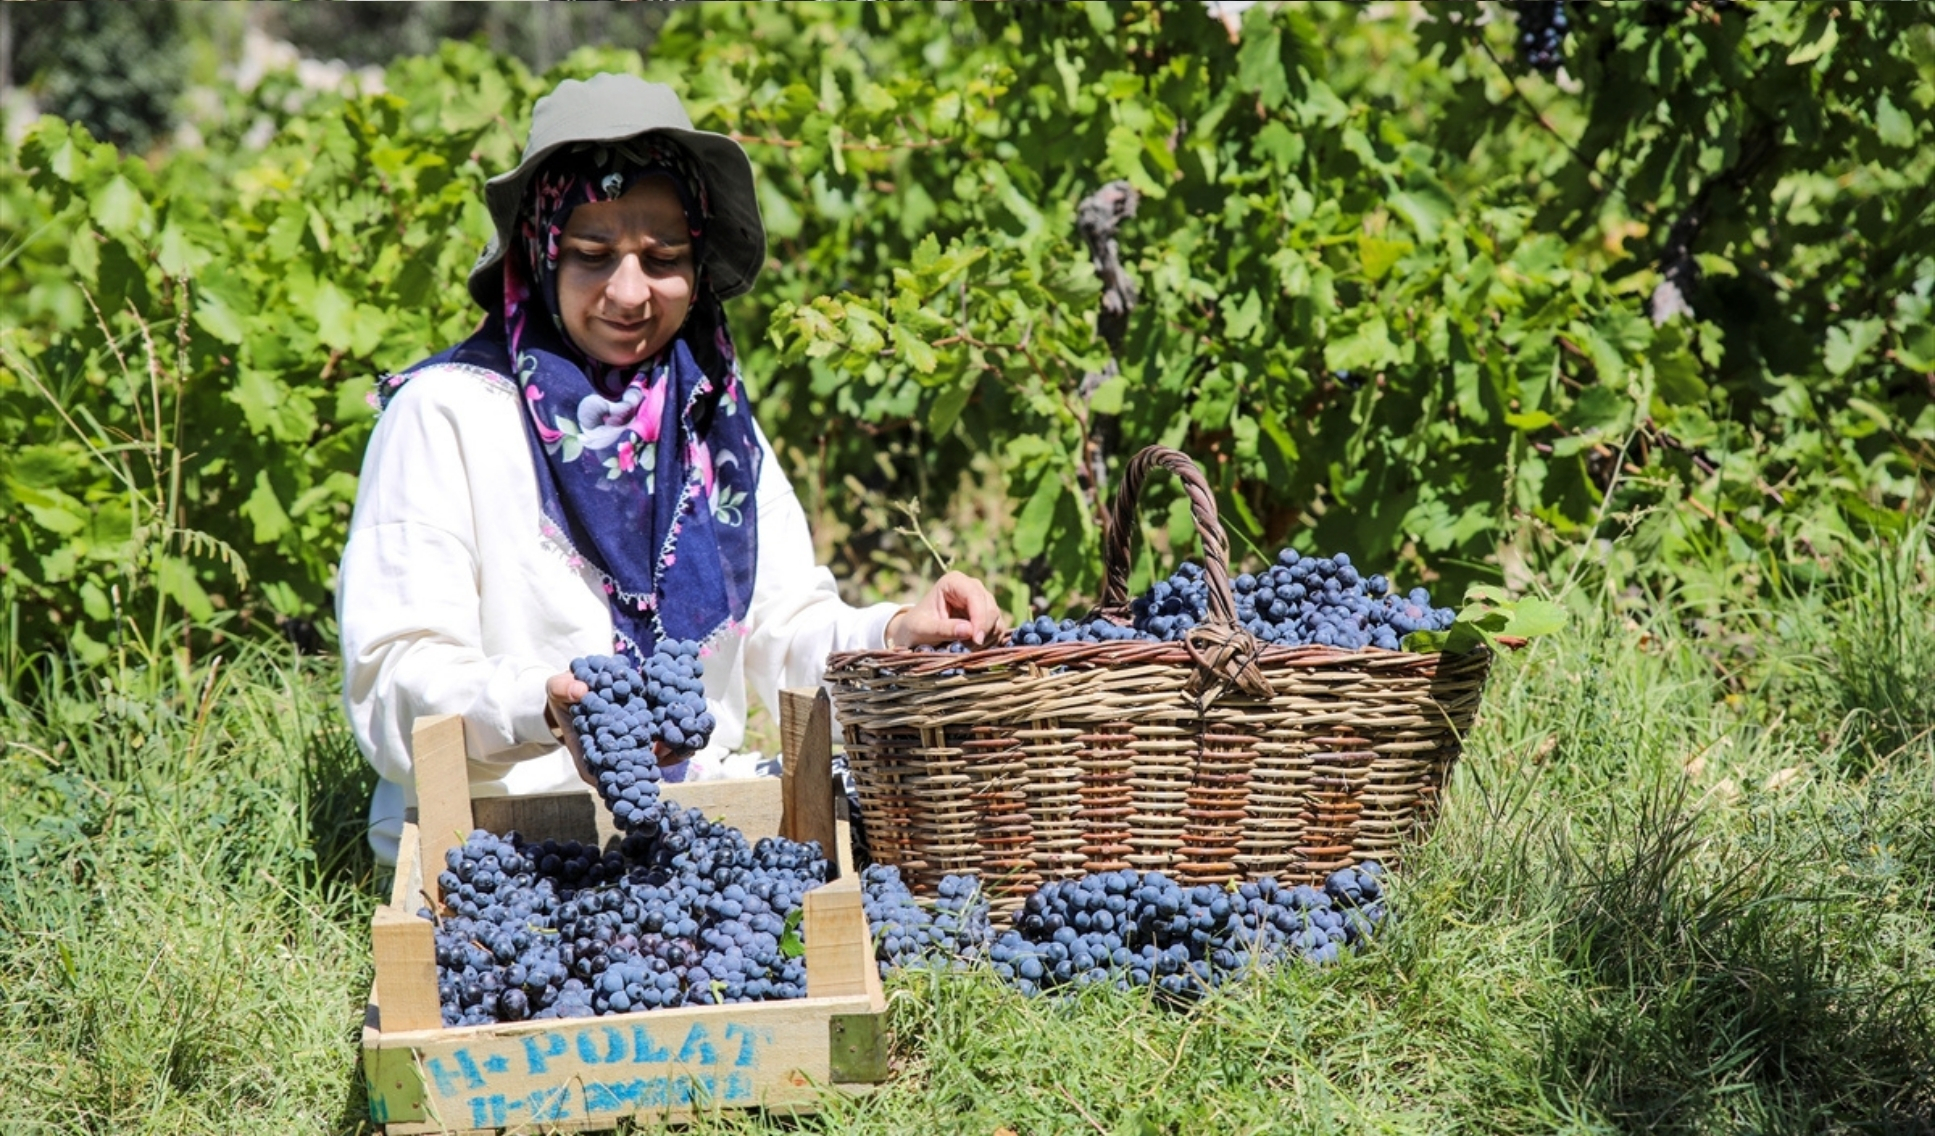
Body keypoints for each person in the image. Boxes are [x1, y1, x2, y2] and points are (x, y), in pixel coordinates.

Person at [338, 74, 1001, 865]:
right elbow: (392, 682)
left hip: (692, 824)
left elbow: (783, 627)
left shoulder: (709, 418)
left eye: (662, 258)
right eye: (591, 255)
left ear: (697, 265)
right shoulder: (448, 415)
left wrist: (896, 630)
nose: (629, 292)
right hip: (500, 839)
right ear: (540, 253)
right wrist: (539, 709)